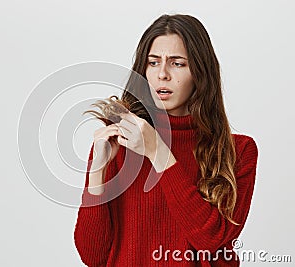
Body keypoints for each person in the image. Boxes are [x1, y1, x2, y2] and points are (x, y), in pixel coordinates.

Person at [74, 14, 258, 267]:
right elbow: (93, 257)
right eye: (153, 63)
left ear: (200, 71)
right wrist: (97, 170)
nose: (162, 74)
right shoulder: (120, 142)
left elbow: (211, 240)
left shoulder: (239, 151)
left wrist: (158, 151)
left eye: (177, 64)